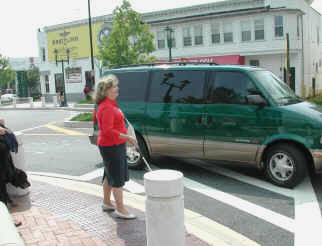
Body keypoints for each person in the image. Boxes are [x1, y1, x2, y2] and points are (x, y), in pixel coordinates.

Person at [94, 74, 137, 219]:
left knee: (109, 173)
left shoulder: (109, 104)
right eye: (114, 87)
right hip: (111, 146)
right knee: (117, 177)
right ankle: (120, 209)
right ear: (106, 90)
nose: (117, 89)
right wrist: (128, 138)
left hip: (112, 145)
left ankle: (106, 202)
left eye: (116, 86)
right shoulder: (106, 107)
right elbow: (108, 130)